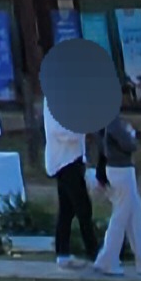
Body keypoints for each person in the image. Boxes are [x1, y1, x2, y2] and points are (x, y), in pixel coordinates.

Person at [89, 111, 141, 278]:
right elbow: (129, 144)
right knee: (121, 215)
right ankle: (107, 259)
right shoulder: (112, 121)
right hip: (121, 169)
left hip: (117, 169)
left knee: (135, 212)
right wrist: (131, 134)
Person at [42, 88, 97, 264]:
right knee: (83, 207)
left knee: (67, 209)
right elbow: (59, 131)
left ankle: (62, 252)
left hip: (75, 158)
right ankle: (93, 251)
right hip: (63, 161)